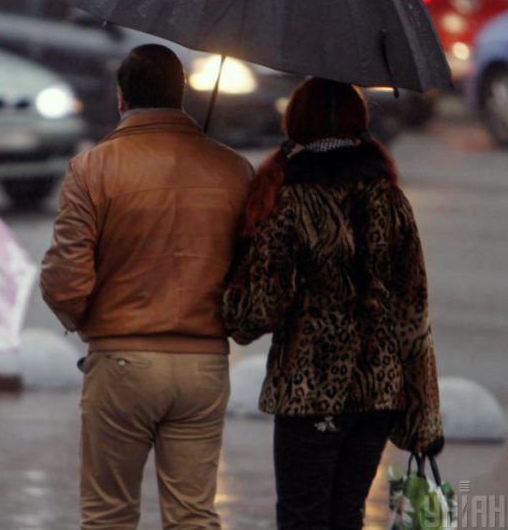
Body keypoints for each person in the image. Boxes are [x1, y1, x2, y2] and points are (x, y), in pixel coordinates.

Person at [41, 44, 254, 529]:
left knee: (109, 515)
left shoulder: (93, 168)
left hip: (120, 362)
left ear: (120, 100)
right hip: (203, 365)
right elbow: (250, 275)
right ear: (182, 96)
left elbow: (65, 280)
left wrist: (83, 319)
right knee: (194, 516)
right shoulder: (233, 170)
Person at [222, 77, 443, 530]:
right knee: (347, 514)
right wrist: (423, 411)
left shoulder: (291, 202)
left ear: (296, 121)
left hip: (311, 393)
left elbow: (251, 315)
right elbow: (414, 312)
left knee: (303, 518)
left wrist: (232, 280)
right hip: (379, 394)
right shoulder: (390, 199)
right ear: (359, 122)